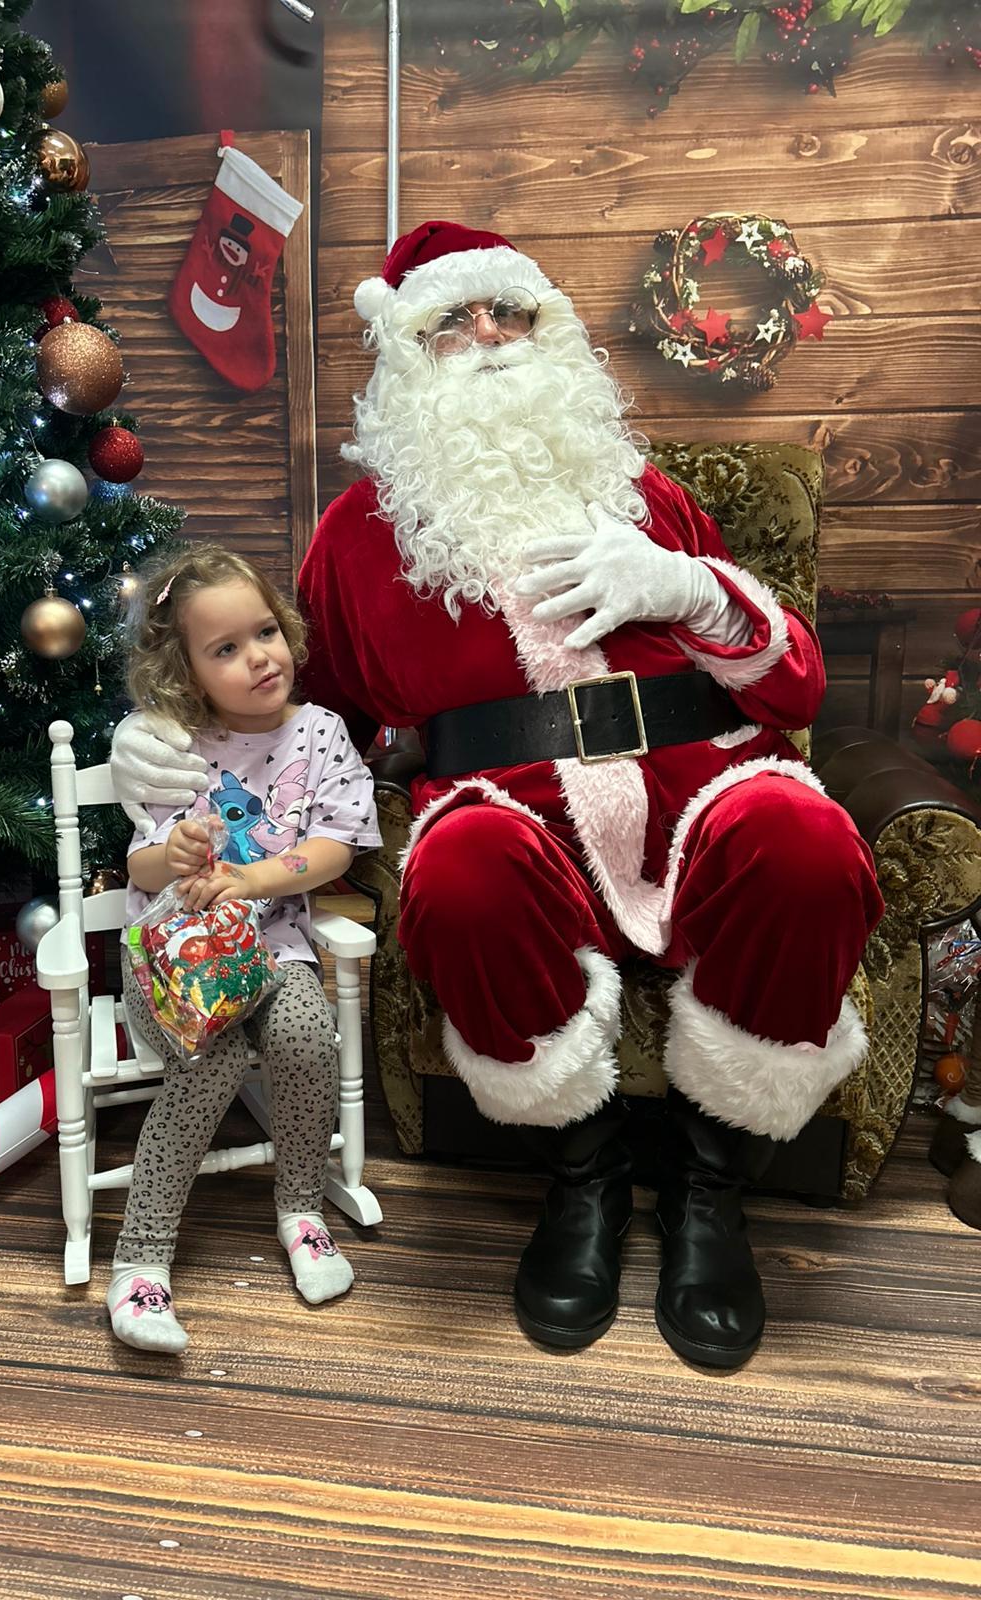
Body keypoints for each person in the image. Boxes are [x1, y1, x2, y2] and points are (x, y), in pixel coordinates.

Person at [111, 221, 883, 1370]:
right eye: (451, 320)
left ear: (547, 329)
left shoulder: (645, 493)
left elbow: (796, 683)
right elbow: (296, 718)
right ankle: (583, 1176)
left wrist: (687, 587)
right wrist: (161, 732)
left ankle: (711, 1185)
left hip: (705, 786)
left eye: (509, 312)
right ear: (406, 354)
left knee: (810, 843)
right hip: (518, 815)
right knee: (459, 874)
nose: (488, 336)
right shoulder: (358, 539)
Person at [107, 542, 381, 1355]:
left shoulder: (321, 733)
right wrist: (175, 854)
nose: (259, 657)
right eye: (225, 648)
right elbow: (138, 866)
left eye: (264, 632)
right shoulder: (176, 745)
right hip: (176, 958)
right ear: (188, 672)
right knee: (212, 1060)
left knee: (305, 1036)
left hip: (277, 949)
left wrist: (253, 877)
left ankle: (301, 1209)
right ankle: (141, 1258)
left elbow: (335, 844)